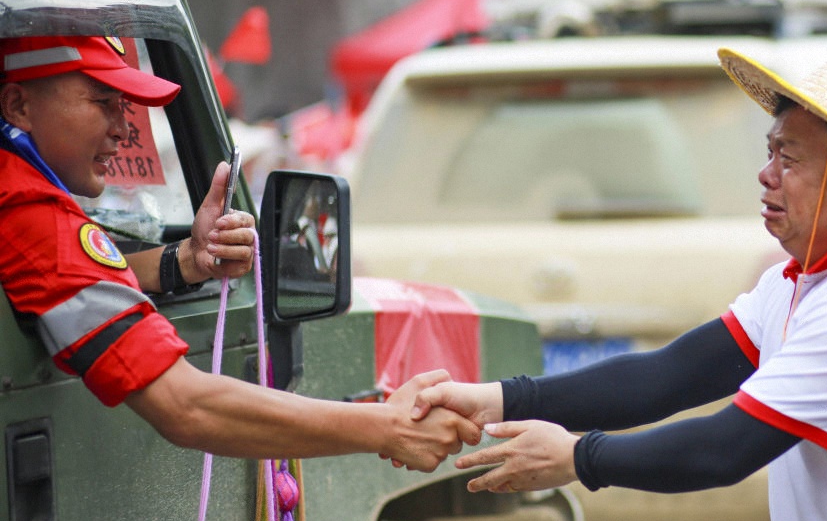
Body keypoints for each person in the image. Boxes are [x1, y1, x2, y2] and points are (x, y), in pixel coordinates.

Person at [412, 48, 827, 521]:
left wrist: (577, 457)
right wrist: (497, 400)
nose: (766, 175)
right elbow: (668, 376)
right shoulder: (811, 278)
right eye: (770, 152)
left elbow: (724, 450)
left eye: (790, 159)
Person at [0, 35, 477, 470]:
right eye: (103, 102)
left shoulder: (19, 191)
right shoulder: (26, 208)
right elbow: (186, 406)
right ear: (18, 105)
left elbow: (65, 270)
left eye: (124, 107)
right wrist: (388, 426)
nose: (124, 130)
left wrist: (186, 260)